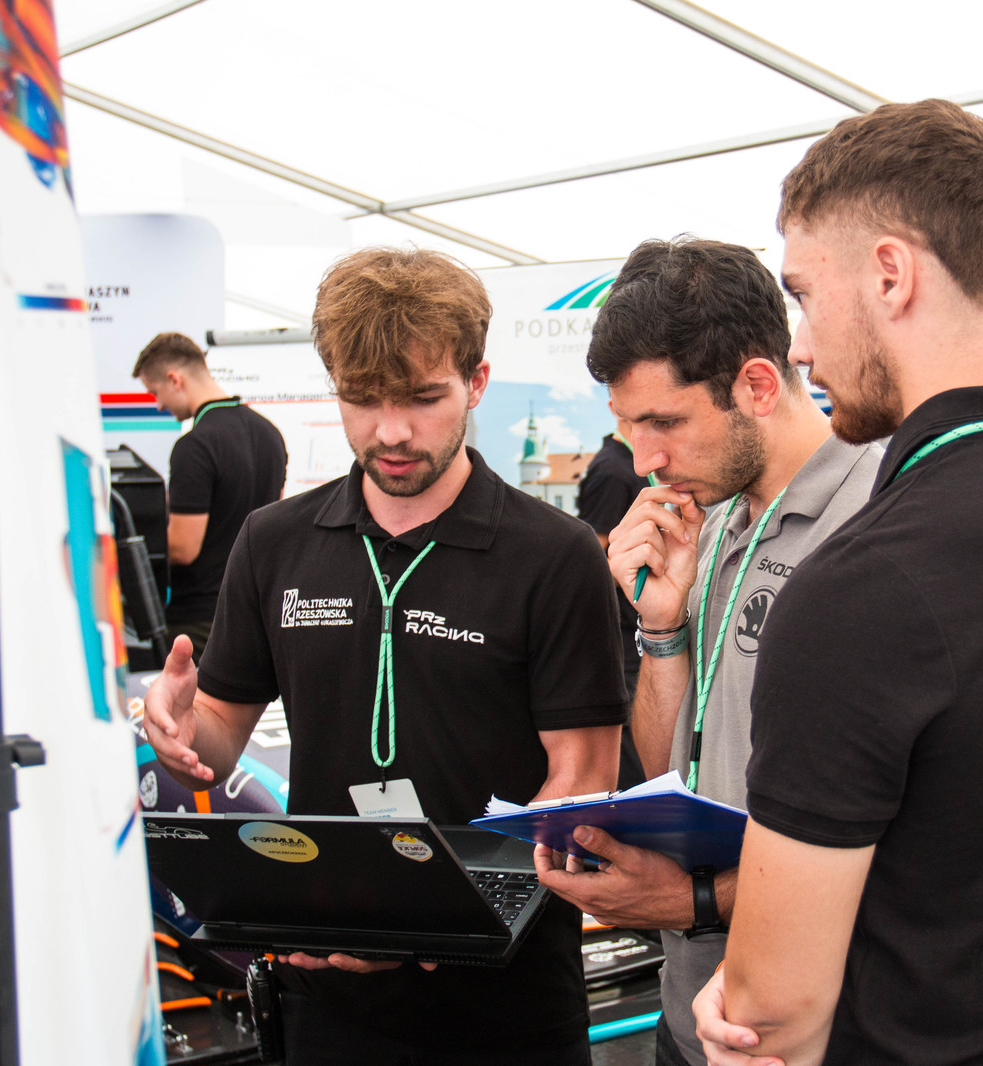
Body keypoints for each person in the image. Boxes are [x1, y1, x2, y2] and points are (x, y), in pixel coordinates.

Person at [692, 98, 983, 1066]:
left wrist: (734, 997)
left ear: (889, 273)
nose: (800, 345)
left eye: (803, 295)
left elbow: (773, 1011)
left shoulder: (864, 584)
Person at [141, 248, 626, 1065]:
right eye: (362, 399)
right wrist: (184, 733)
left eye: (423, 398)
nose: (391, 432)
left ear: (476, 382)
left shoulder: (554, 554)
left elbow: (581, 777)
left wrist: (425, 920)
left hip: (506, 1005)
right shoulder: (273, 542)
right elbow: (221, 728)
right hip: (327, 999)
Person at [537, 236, 882, 1066]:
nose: (644, 459)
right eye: (627, 426)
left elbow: (897, 843)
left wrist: (692, 899)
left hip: (810, 1034)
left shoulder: (877, 522)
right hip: (689, 1017)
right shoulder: (711, 514)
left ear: (757, 385)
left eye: (665, 422)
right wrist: (661, 631)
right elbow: (670, 765)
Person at [131, 331, 287, 661]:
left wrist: (128, 548)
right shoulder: (270, 434)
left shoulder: (194, 446)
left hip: (200, 621)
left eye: (155, 392)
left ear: (174, 379)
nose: (158, 405)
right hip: (255, 610)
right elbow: (276, 522)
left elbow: (183, 548)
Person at [576, 416, 652, 789]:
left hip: (637, 624)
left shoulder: (630, 463)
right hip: (622, 630)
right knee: (631, 739)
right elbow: (594, 556)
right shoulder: (612, 470)